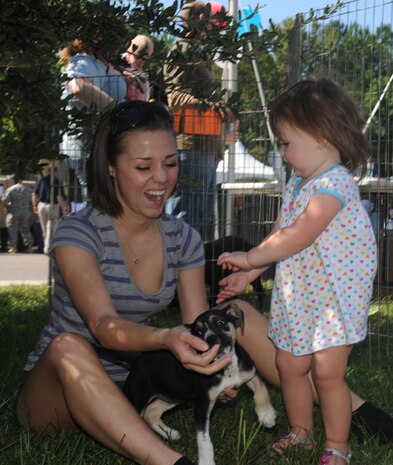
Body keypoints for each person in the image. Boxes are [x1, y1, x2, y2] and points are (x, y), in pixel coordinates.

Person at [14, 100, 393, 465]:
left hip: (139, 383)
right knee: (70, 346)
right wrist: (165, 338)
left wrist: (212, 362)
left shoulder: (182, 238)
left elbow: (198, 323)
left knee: (236, 313)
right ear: (111, 167)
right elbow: (103, 327)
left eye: (169, 163)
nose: (161, 178)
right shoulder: (77, 234)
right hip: (59, 395)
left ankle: (365, 419)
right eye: (143, 166)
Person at [217, 78, 379, 465]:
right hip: (298, 295)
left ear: (321, 136)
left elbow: (301, 233)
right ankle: (301, 432)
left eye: (287, 142)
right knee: (289, 365)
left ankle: (338, 445)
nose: (283, 151)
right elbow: (281, 233)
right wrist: (252, 275)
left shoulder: (335, 184)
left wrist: (250, 257)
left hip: (333, 303)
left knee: (326, 374)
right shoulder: (296, 184)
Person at [164, 1, 237, 241]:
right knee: (184, 220)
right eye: (209, 24)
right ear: (195, 23)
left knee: (200, 223)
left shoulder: (199, 53)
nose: (212, 30)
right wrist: (212, 105)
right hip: (188, 147)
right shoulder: (181, 50)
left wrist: (220, 112)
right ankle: (175, 276)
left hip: (205, 149)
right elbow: (174, 96)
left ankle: (192, 276)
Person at [58, 38, 127, 199]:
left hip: (105, 144)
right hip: (85, 146)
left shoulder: (106, 63)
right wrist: (114, 111)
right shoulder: (83, 61)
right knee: (96, 199)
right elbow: (77, 86)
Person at [32, 160, 69, 255]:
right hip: (53, 206)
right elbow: (59, 197)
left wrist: (35, 205)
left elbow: (34, 194)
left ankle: (46, 246)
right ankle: (48, 248)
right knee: (51, 228)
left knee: (44, 229)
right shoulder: (56, 182)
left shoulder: (42, 180)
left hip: (42, 206)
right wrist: (64, 210)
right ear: (56, 171)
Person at [2, 175, 34, 254]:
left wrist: (6, 209)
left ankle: (13, 248)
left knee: (12, 230)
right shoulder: (29, 190)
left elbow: (5, 200)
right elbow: (32, 202)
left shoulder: (11, 189)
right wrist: (29, 210)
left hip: (14, 212)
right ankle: (29, 247)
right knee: (26, 230)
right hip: (25, 212)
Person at [122, 34, 154, 102]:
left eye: (145, 60)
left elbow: (146, 95)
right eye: (138, 58)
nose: (141, 63)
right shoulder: (118, 65)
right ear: (129, 53)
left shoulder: (142, 73)